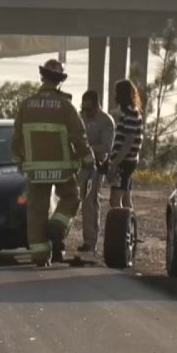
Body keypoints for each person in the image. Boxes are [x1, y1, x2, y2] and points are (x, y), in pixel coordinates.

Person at [11, 59, 95, 267]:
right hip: (62, 168)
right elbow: (79, 136)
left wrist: (20, 160)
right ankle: (57, 226)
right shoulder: (65, 106)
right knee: (71, 197)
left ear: (42, 77)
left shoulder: (26, 105)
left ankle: (40, 255)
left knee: (37, 210)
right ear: (60, 81)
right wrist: (88, 159)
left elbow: (16, 138)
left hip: (34, 170)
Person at [76, 90, 115, 252]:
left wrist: (87, 149)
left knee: (89, 204)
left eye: (89, 108)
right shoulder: (79, 118)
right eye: (83, 108)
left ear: (97, 106)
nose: (86, 112)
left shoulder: (106, 121)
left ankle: (90, 242)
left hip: (95, 168)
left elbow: (106, 147)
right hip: (77, 166)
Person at [107, 78, 144, 211]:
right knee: (126, 199)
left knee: (115, 201)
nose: (114, 96)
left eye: (117, 92)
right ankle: (130, 227)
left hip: (125, 162)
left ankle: (121, 229)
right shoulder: (130, 113)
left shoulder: (130, 113)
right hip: (127, 161)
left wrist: (116, 162)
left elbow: (128, 141)